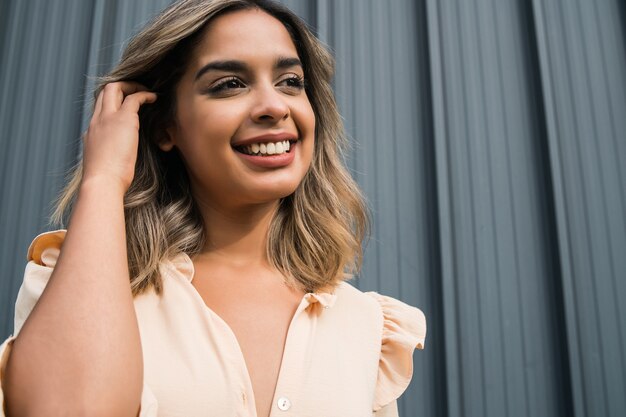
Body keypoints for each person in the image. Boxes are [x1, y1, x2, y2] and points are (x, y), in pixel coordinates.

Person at [0, 0, 426, 416]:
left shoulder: (367, 326)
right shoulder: (83, 286)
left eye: (290, 82)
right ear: (166, 125)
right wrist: (104, 179)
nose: (275, 106)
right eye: (230, 84)